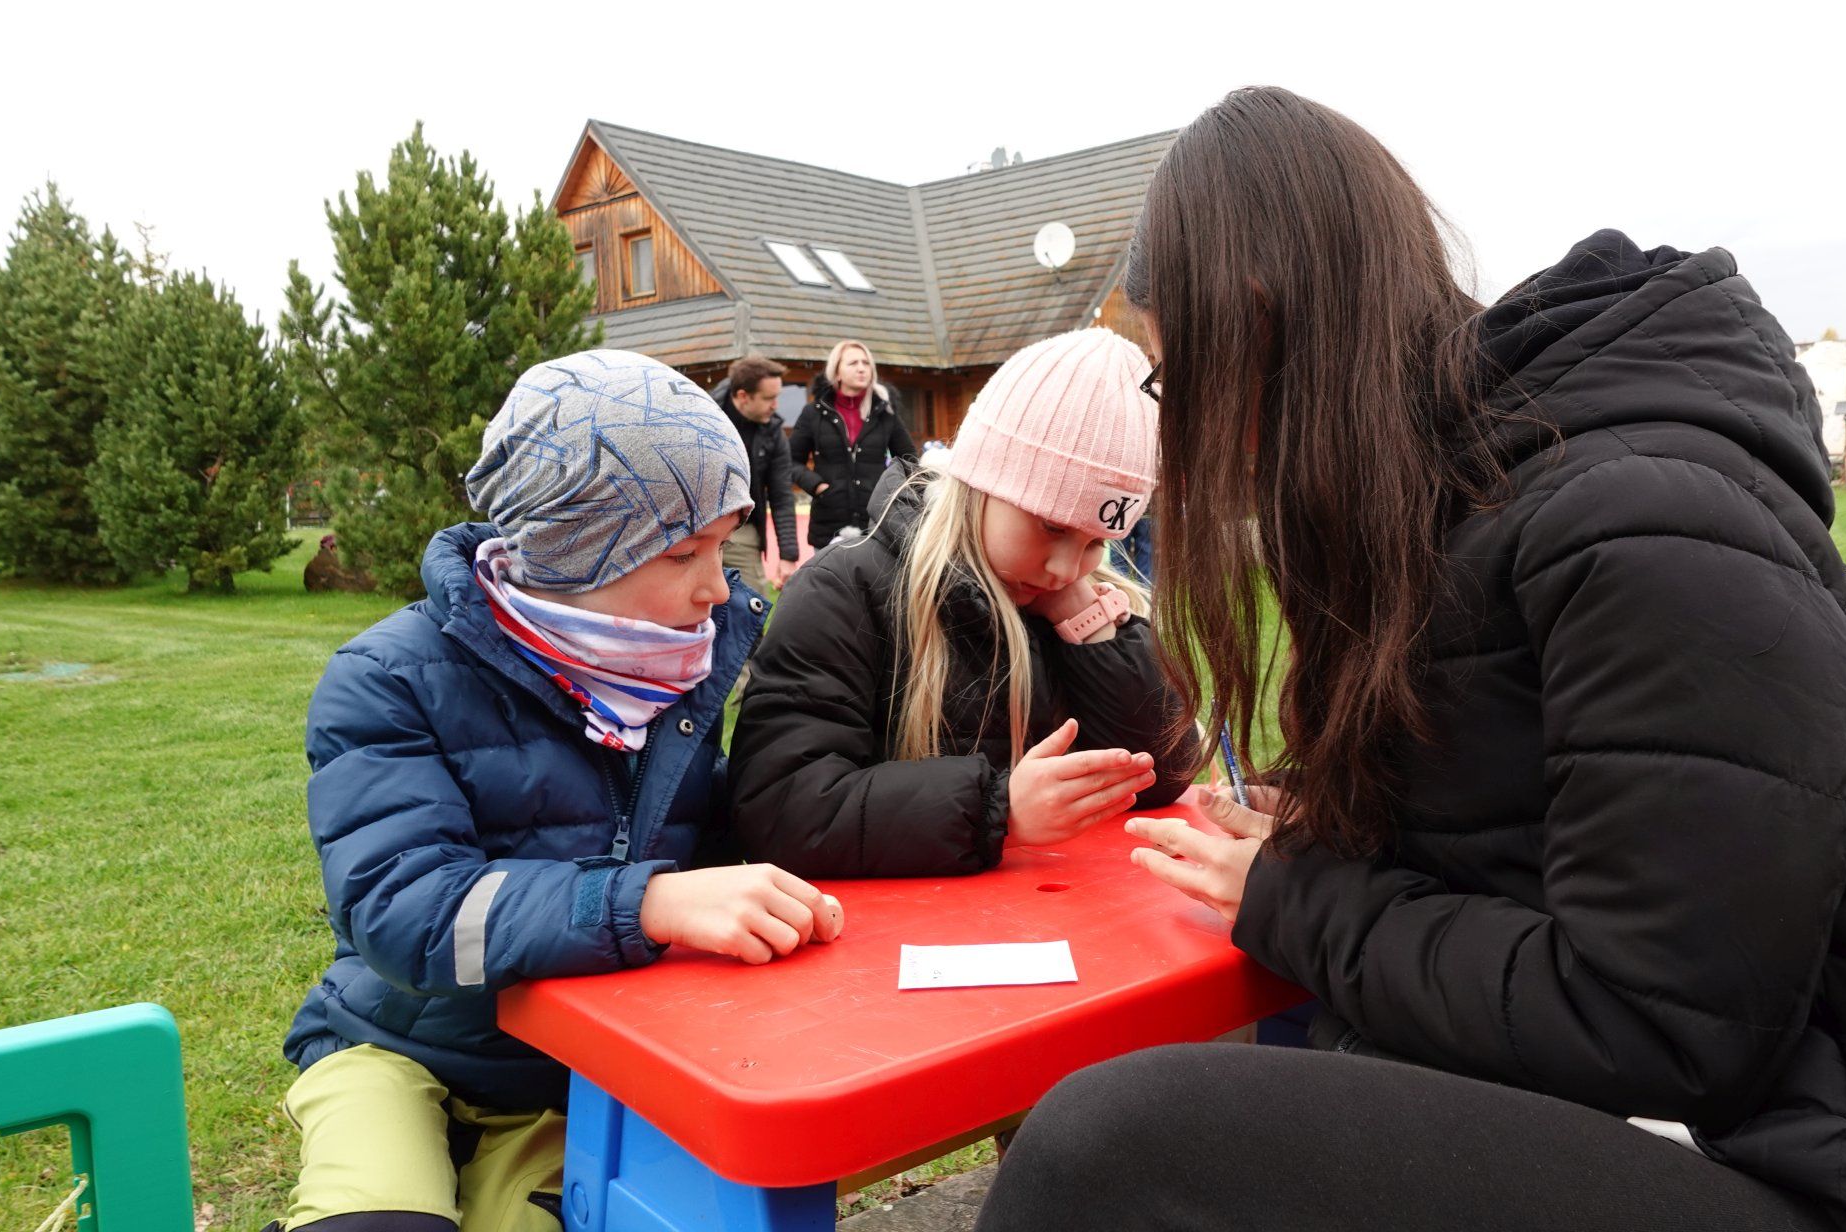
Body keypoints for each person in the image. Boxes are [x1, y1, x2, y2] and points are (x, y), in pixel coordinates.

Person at [976, 88, 1846, 1232]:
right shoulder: (1459, 514)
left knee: (1110, 1147)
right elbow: (1552, 846)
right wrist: (1334, 821)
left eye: (1168, 372)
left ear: (1255, 323)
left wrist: (1296, 895)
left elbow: (1658, 1023)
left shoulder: (1643, 529)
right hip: (1718, 1125)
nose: (1176, 422)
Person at [273, 349, 844, 1232]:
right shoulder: (388, 678)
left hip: (565, 1075)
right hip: (394, 1045)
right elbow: (402, 909)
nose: (711, 587)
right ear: (572, 552)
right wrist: (645, 901)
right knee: (378, 1218)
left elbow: (728, 822)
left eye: (722, 545)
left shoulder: (668, 669)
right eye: (681, 551)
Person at [730, 327, 1198, 877]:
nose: (1066, 569)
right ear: (981, 484)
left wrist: (1091, 628)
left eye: (1096, 541)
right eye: (1050, 526)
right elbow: (778, 806)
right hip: (890, 944)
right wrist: (997, 810)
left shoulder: (1071, 604)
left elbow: (1162, 773)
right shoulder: (846, 591)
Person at [786, 339, 918, 553]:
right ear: (836, 372)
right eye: (853, 363)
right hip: (829, 525)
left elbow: (909, 461)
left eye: (866, 363)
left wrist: (890, 493)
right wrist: (818, 487)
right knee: (828, 586)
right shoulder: (814, 413)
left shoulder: (885, 413)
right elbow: (790, 461)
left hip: (876, 523)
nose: (861, 368)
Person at [712, 353, 800, 593]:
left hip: (743, 530)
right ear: (743, 396)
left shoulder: (773, 433)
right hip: (698, 527)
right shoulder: (705, 418)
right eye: (769, 398)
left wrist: (788, 556)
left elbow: (781, 494)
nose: (776, 405)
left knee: (752, 608)